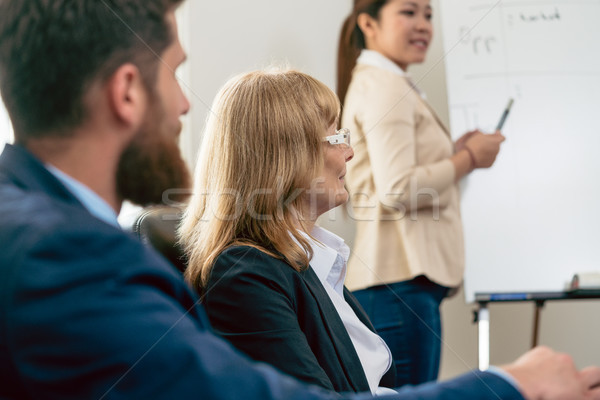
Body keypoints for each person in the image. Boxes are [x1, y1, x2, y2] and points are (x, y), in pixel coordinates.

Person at [0, 1, 599, 399]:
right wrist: (507, 386)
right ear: (127, 91)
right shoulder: (66, 258)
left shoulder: (53, 232)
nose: (186, 107)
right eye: (175, 75)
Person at [180, 69, 396, 394]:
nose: (349, 152)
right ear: (285, 154)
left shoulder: (314, 263)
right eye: (335, 137)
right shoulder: (245, 274)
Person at [337, 0, 505, 387]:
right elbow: (398, 189)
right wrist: (467, 159)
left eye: (428, 15)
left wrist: (454, 153)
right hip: (401, 287)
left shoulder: (387, 81)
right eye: (408, 12)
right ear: (368, 23)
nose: (423, 25)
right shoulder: (385, 85)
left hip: (401, 287)